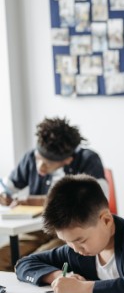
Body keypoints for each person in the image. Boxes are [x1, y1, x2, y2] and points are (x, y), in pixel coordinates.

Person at [0, 116, 107, 271]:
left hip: (71, 232)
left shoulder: (88, 160)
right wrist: (4, 194)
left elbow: (98, 202)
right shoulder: (30, 157)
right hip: (38, 229)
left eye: (48, 163)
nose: (40, 167)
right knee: (3, 256)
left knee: (33, 262)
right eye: (39, 158)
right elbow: (7, 185)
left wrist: (32, 201)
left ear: (67, 160)